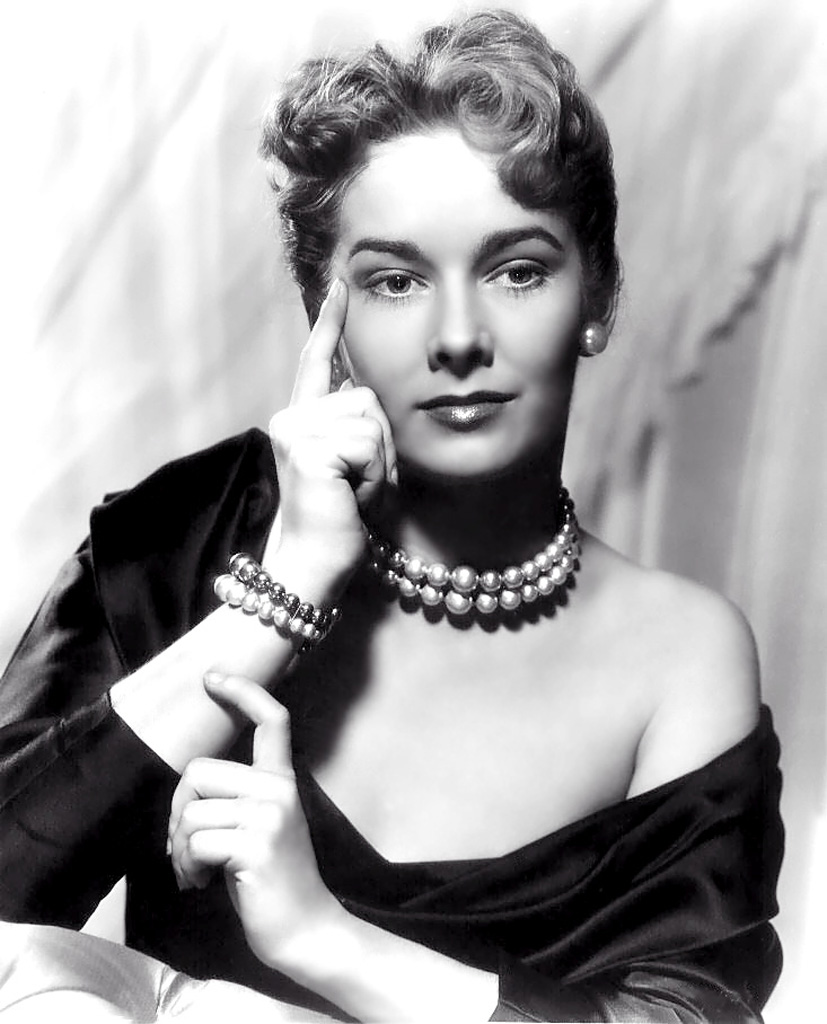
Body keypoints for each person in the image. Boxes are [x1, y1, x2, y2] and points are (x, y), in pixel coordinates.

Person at [0, 9, 782, 1022]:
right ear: (325, 318)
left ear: (597, 297)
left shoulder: (680, 652)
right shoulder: (178, 538)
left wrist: (321, 937)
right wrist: (277, 600)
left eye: (516, 269)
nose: (458, 337)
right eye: (395, 281)